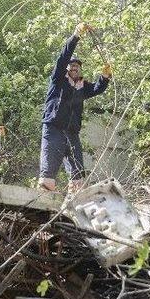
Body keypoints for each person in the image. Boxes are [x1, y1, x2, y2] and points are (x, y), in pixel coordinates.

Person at [38, 23, 113, 193]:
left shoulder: (82, 86)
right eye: (71, 66)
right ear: (67, 69)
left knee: (77, 171)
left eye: (77, 66)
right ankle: (43, 196)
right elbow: (63, 57)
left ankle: (75, 200)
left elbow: (97, 89)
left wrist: (105, 76)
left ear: (80, 70)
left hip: (72, 132)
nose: (74, 67)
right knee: (49, 168)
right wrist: (75, 37)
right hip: (54, 128)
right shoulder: (58, 80)